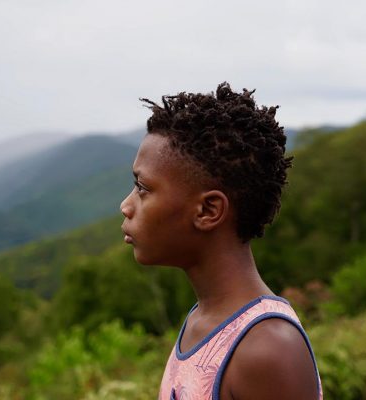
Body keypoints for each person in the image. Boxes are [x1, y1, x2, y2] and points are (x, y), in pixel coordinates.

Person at [120, 82, 322, 400]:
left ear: (208, 210)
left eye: (143, 188)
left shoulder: (267, 348)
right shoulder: (201, 320)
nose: (126, 205)